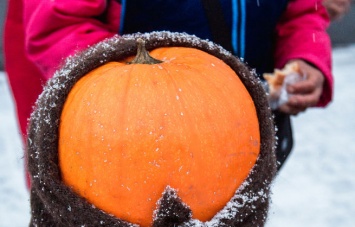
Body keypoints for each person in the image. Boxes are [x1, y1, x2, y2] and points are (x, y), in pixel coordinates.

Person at [4, 0, 333, 171]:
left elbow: (302, 11)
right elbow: (59, 30)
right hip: (124, 145)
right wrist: (152, 89)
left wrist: (306, 54)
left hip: (240, 139)